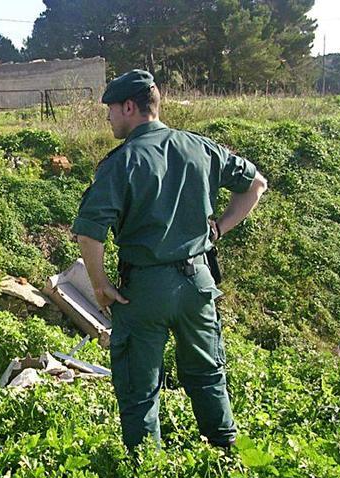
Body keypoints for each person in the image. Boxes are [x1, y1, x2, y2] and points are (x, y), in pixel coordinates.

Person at [72, 70, 268, 451]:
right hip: (198, 281)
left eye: (110, 109)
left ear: (129, 107)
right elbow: (256, 185)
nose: (108, 117)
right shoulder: (200, 147)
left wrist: (100, 285)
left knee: (139, 388)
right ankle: (226, 455)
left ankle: (147, 473)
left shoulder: (122, 161)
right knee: (208, 374)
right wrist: (220, 229)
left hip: (145, 289)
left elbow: (89, 232)